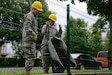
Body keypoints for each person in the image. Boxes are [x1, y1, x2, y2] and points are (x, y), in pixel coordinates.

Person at [22, 1, 43, 75]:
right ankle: (27, 73)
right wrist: (34, 34)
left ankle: (28, 72)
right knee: (30, 57)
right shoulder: (30, 16)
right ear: (34, 8)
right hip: (28, 40)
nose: (39, 12)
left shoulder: (34, 17)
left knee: (32, 56)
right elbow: (27, 27)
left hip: (31, 40)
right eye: (38, 10)